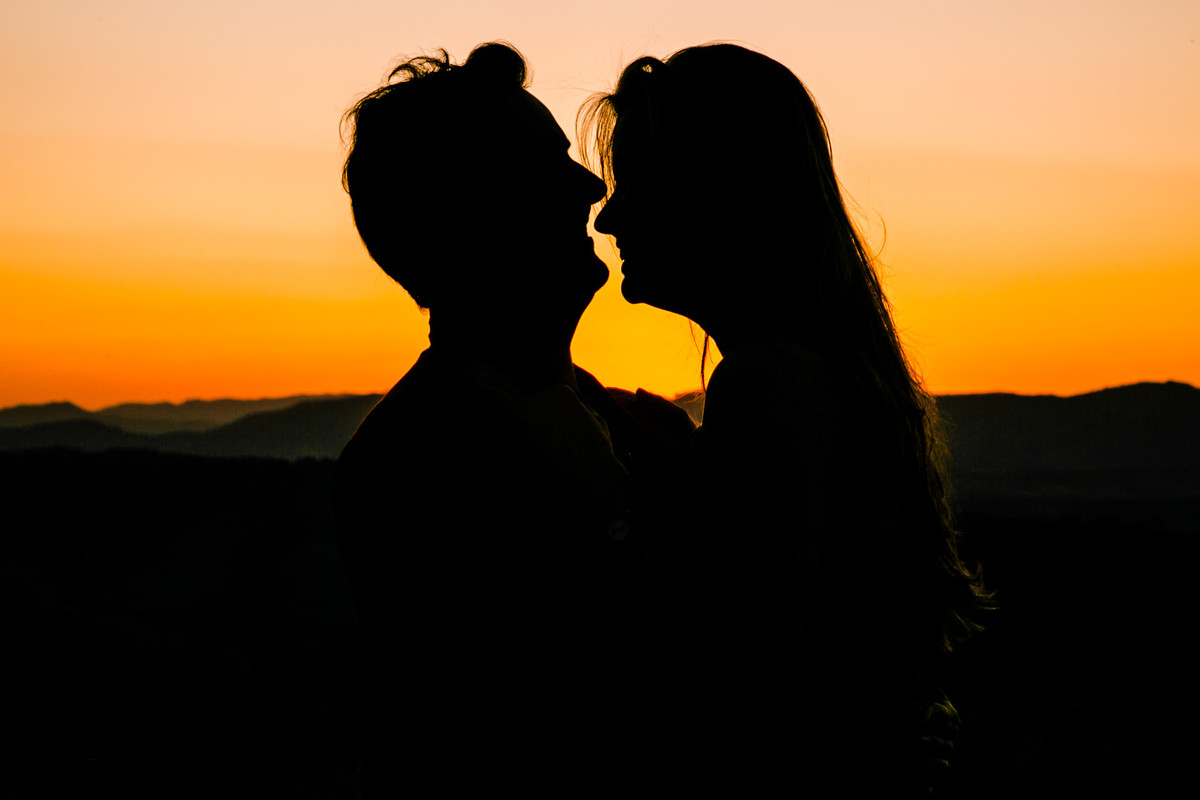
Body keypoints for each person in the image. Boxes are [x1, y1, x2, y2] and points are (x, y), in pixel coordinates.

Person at [582, 43, 992, 794]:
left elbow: (742, 685)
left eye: (636, 182)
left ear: (720, 191)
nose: (608, 218)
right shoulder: (825, 369)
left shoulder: (769, 382)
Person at [335, 42, 695, 792]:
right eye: (541, 167)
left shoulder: (633, 427)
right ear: (448, 225)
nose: (589, 186)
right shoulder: (413, 466)